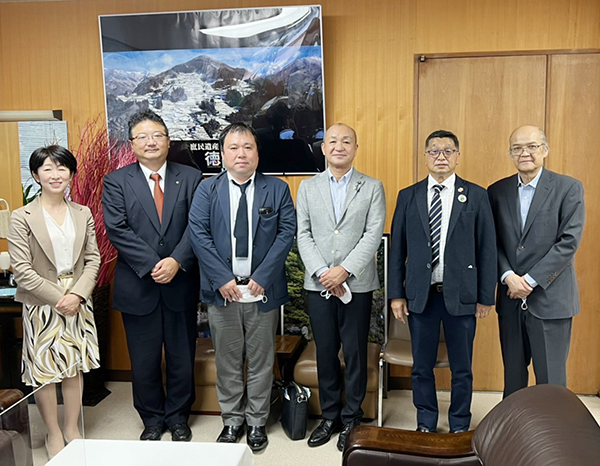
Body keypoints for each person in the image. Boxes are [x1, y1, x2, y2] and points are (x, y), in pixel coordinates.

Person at [188, 122, 295, 452]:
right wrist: (222, 279)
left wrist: (263, 275)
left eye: (248, 147)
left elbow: (286, 232)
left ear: (257, 153)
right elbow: (198, 234)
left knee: (262, 361)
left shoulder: (276, 189)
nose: (241, 153)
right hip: (223, 293)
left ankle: (257, 422)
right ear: (223, 154)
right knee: (229, 360)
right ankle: (232, 420)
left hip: (262, 291)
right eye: (233, 148)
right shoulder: (208, 190)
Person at [102, 110, 202, 441]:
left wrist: (176, 260)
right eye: (142, 136)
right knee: (143, 362)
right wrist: (153, 263)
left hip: (181, 281)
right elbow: (117, 228)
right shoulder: (117, 181)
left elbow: (197, 225)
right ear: (132, 144)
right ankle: (151, 419)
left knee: (181, 357)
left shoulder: (190, 177)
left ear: (168, 140)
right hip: (138, 285)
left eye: (157, 135)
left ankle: (178, 416)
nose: (150, 141)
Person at [389, 130, 496, 433]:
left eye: (448, 151)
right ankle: (426, 422)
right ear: (425, 157)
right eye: (434, 151)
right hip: (421, 296)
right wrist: (397, 295)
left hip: (461, 295)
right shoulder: (408, 196)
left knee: (462, 368)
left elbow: (487, 248)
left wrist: (486, 296)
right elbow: (398, 249)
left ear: (458, 157)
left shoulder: (475, 195)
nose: (441, 157)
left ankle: (460, 423)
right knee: (422, 367)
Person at [296, 123, 385, 451]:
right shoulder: (307, 187)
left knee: (355, 351)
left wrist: (344, 270)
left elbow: (372, 234)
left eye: (346, 141)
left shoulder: (372, 187)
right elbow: (302, 233)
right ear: (323, 148)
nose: (339, 146)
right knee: (325, 351)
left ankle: (352, 418)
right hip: (317, 283)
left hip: (356, 284)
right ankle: (330, 415)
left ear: (355, 148)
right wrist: (322, 271)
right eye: (332, 141)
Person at [8, 145, 101, 458]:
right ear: (36, 175)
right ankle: (53, 432)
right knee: (45, 371)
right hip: (42, 302)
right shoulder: (22, 216)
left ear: (71, 174)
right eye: (47, 168)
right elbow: (21, 269)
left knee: (74, 366)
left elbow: (93, 259)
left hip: (78, 299)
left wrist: (77, 295)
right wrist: (61, 298)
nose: (55, 174)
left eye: (61, 168)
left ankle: (73, 428)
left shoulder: (82, 213)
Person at [488, 125, 584, 398]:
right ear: (510, 154)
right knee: (513, 382)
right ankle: (513, 437)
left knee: (551, 384)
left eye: (531, 146)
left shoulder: (568, 188)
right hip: (509, 297)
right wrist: (508, 275)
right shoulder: (497, 191)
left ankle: (552, 439)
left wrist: (528, 281)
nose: (525, 153)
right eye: (517, 148)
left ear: (544, 150)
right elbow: (490, 242)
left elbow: (568, 243)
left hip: (551, 300)